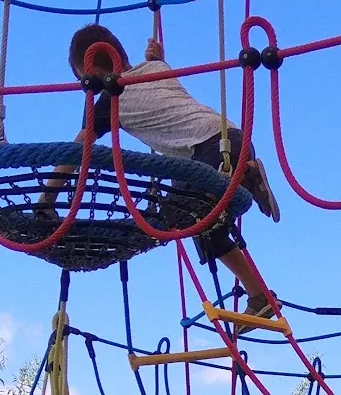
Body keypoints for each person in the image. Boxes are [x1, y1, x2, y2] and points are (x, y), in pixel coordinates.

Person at [36, 23, 280, 326]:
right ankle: (259, 297)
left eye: (81, 78)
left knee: (180, 216)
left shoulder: (111, 98)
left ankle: (241, 176)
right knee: (205, 228)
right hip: (231, 141)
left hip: (207, 151)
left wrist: (47, 198)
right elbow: (158, 88)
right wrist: (156, 57)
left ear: (90, 71)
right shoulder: (155, 69)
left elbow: (77, 152)